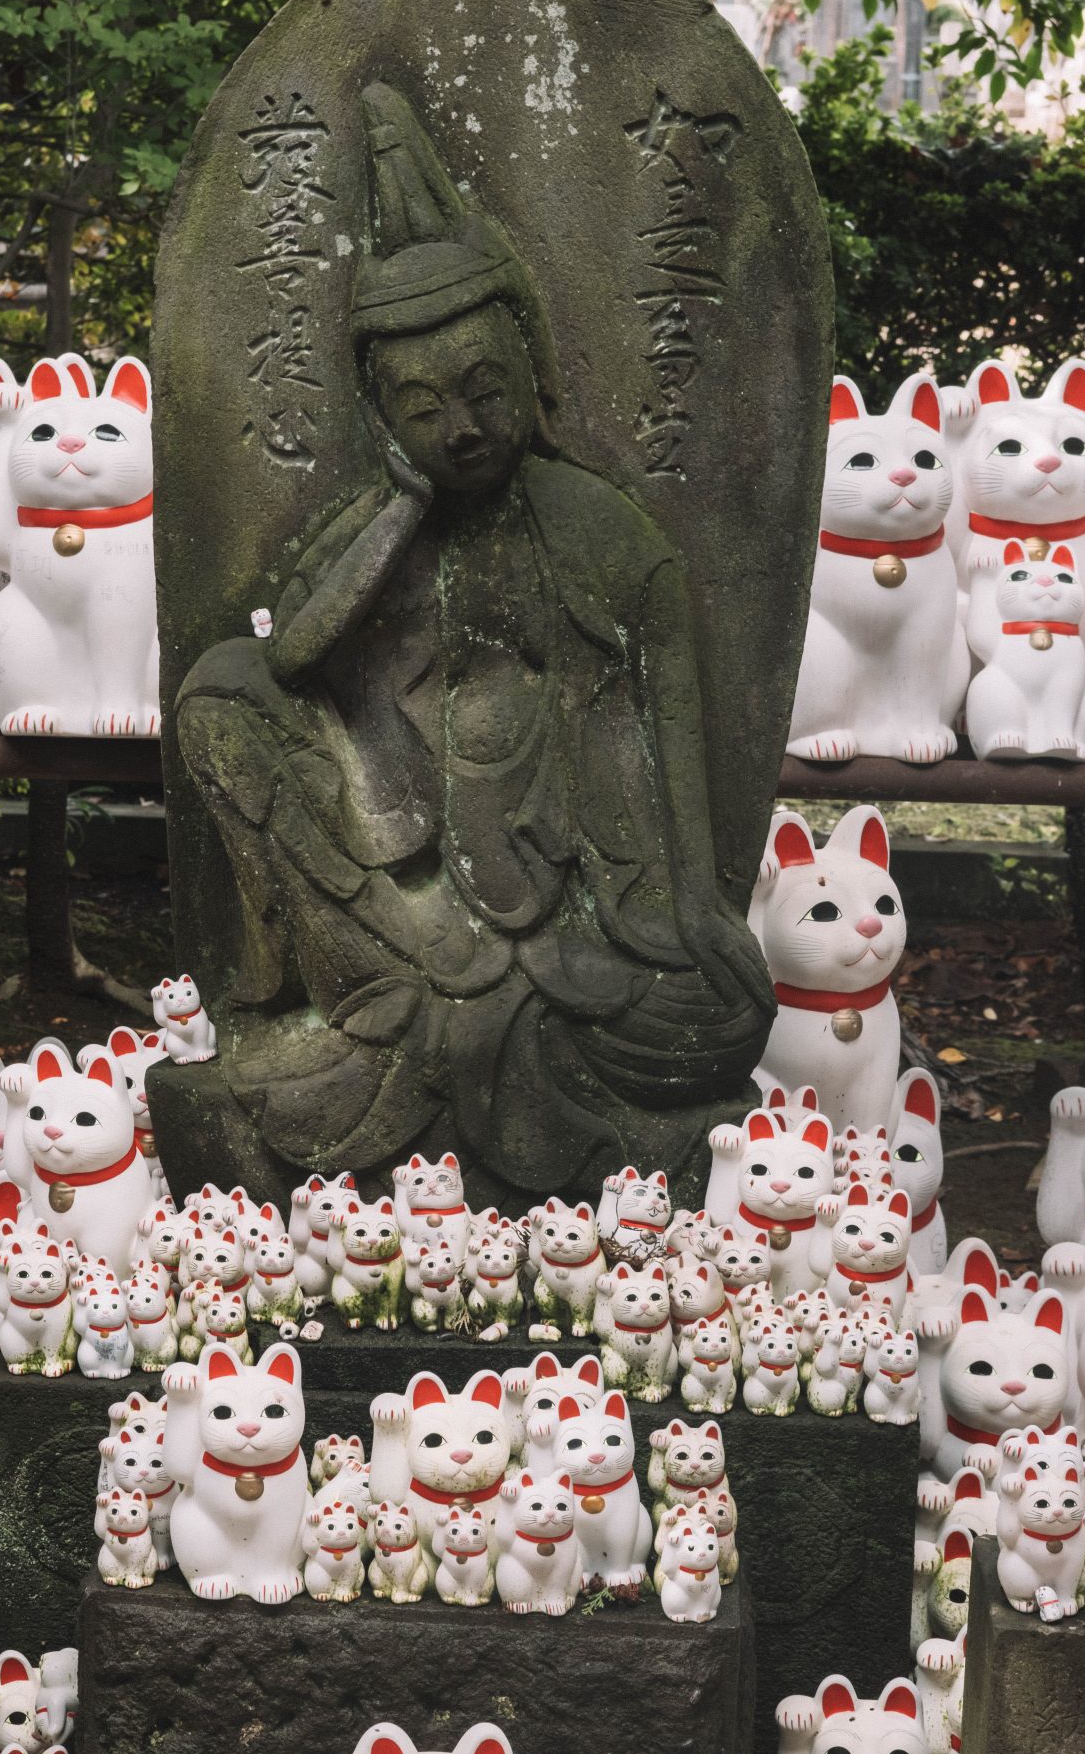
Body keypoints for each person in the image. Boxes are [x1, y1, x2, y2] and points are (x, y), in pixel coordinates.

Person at [174, 83, 771, 1199]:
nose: (463, 425)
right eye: (422, 406)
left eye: (487, 389)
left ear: (532, 370)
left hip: (576, 918)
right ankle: (372, 1007)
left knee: (720, 1018)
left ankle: (392, 1041)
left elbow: (672, 725)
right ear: (380, 416)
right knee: (222, 693)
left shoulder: (603, 532)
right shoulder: (377, 535)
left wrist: (695, 905)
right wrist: (402, 510)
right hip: (405, 895)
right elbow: (294, 657)